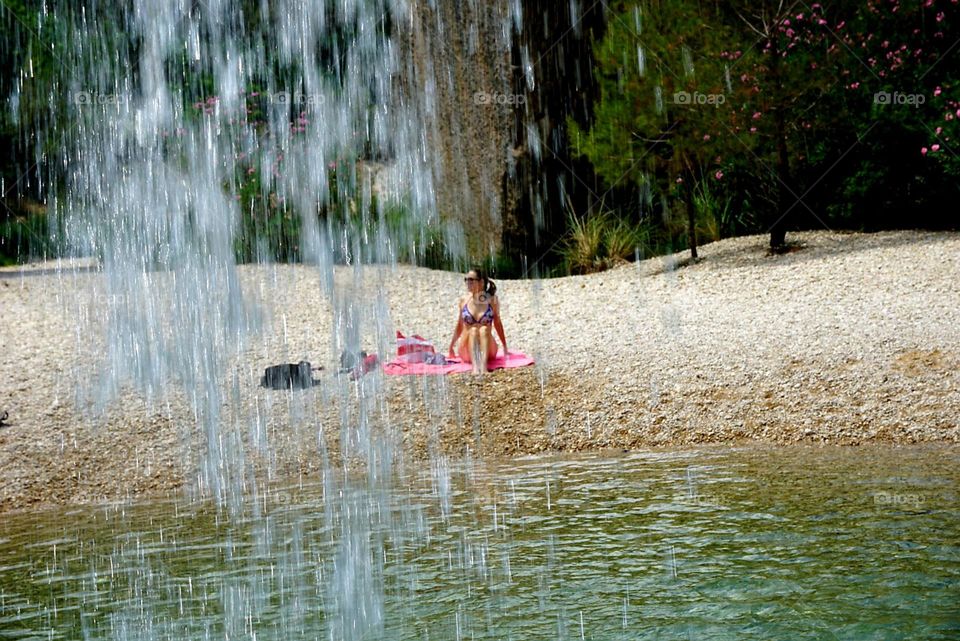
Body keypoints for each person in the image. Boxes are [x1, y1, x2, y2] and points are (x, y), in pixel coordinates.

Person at [447, 268, 508, 374]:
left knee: (484, 329)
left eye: (471, 279)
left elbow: (497, 323)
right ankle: (475, 368)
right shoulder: (464, 300)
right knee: (473, 330)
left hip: (487, 349)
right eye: (466, 279)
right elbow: (460, 325)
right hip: (467, 349)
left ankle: (483, 367)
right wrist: (451, 346)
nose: (467, 282)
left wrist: (505, 346)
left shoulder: (492, 300)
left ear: (481, 282)